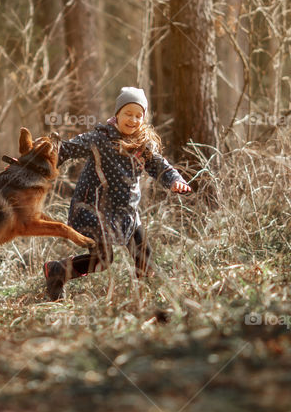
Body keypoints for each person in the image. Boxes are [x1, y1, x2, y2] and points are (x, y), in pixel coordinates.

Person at [43, 87, 192, 301]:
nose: (133, 120)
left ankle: (141, 300)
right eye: (128, 114)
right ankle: (57, 271)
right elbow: (66, 149)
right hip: (95, 210)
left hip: (127, 213)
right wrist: (35, 161)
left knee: (145, 258)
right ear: (117, 114)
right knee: (102, 260)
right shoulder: (100, 138)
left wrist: (176, 181)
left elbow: (162, 167)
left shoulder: (144, 145)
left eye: (138, 115)